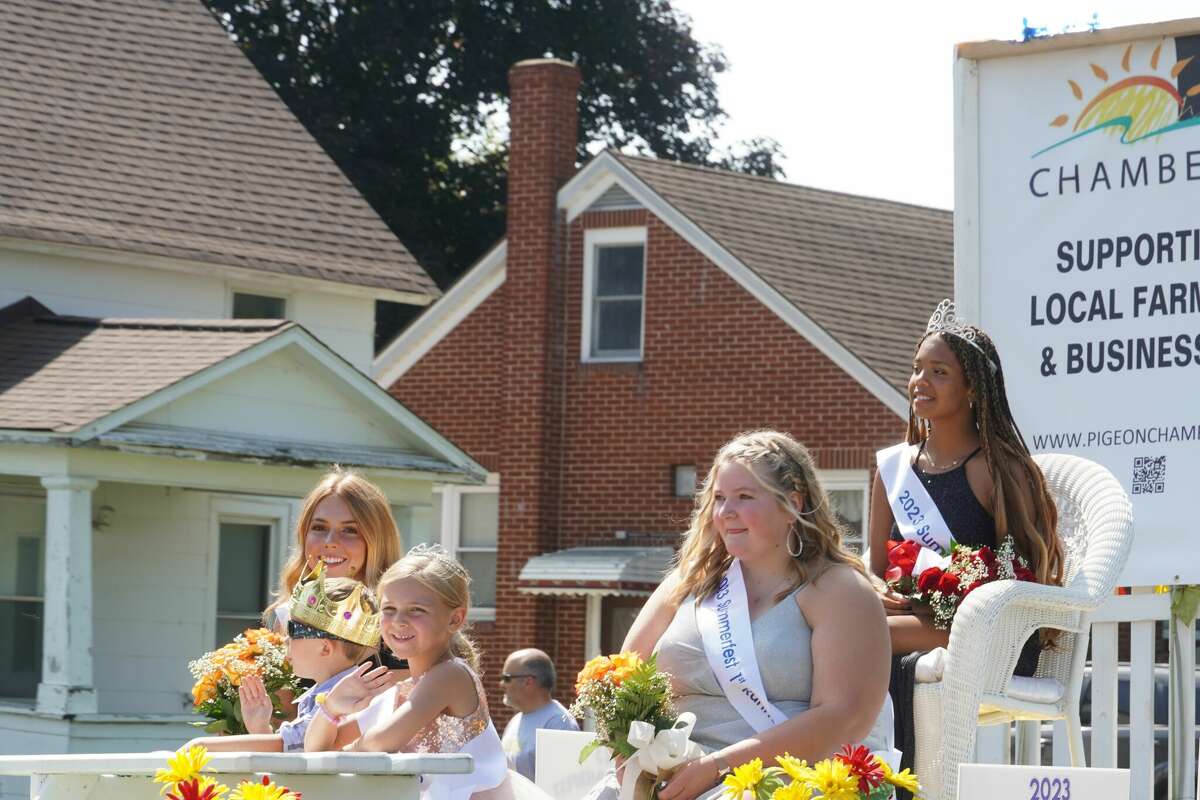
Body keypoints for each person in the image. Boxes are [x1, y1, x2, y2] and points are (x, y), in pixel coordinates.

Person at [587, 430, 893, 800]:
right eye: (719, 498)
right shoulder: (687, 583)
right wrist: (631, 759)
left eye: (744, 497)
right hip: (668, 779)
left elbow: (845, 716)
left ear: (793, 504)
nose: (725, 512)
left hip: (784, 782)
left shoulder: (838, 589)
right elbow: (620, 678)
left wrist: (718, 768)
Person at [867, 299, 1064, 796]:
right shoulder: (893, 470)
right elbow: (871, 569)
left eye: (939, 372)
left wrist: (964, 589)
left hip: (986, 635)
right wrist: (876, 588)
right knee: (843, 625)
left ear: (973, 387)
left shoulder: (997, 469)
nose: (920, 382)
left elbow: (1023, 569)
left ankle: (895, 785)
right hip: (908, 621)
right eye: (916, 370)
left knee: (855, 637)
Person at [305, 545, 551, 800]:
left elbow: (380, 742)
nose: (399, 620)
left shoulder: (450, 675)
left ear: (455, 619)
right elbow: (317, 749)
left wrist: (342, 756)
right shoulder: (400, 693)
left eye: (416, 610)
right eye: (389, 609)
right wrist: (331, 706)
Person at [186, 569, 381, 752]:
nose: (285, 639)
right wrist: (260, 727)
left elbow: (295, 746)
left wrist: (199, 746)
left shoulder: (349, 695)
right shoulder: (322, 693)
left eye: (293, 631)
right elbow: (294, 756)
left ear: (325, 647)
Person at [499, 648, 580, 780]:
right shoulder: (516, 720)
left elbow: (564, 784)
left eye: (507, 678)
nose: (502, 684)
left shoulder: (559, 723)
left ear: (529, 681)